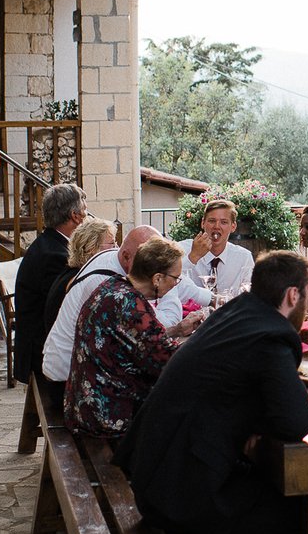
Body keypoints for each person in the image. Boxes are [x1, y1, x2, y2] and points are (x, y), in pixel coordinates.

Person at [116, 252, 308, 534]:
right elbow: (297, 420)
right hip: (178, 490)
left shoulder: (240, 314)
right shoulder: (270, 335)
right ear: (293, 294)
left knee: (279, 501)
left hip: (159, 470)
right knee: (300, 514)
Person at [63, 238, 204, 439]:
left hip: (84, 403)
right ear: (157, 278)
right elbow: (170, 363)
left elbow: (137, 340)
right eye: (175, 278)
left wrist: (177, 330)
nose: (176, 284)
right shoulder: (131, 307)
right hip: (107, 415)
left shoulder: (113, 286)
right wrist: (207, 337)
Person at [42, 224, 156, 386]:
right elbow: (142, 332)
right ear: (126, 256)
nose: (151, 270)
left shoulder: (109, 258)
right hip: (66, 379)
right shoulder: (108, 284)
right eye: (148, 263)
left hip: (64, 366)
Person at [12, 183, 87, 382]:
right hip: (41, 353)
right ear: (75, 216)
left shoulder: (50, 244)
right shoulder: (55, 254)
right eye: (85, 212)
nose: (86, 218)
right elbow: (61, 310)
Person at [184, 198, 254, 297]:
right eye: (212, 221)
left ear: (233, 226)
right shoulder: (184, 249)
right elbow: (170, 282)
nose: (217, 226)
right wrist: (193, 257)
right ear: (203, 223)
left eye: (224, 222)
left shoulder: (244, 257)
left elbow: (250, 294)